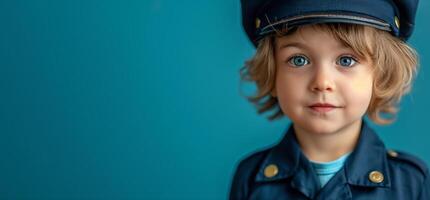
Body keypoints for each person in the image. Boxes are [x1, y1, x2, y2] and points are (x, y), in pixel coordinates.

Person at [230, 0, 430, 199]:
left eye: (346, 60)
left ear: (380, 76)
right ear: (272, 74)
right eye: (299, 60)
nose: (322, 82)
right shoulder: (251, 179)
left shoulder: (411, 183)